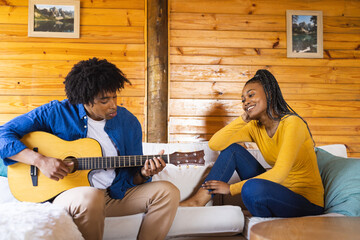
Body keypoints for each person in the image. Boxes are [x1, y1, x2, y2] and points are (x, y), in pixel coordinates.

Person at [0, 57, 180, 240]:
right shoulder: (55, 112)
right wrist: (40, 160)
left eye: (114, 97)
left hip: (113, 195)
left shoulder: (128, 122)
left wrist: (144, 173)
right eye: (104, 100)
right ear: (84, 100)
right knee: (91, 196)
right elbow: (3, 134)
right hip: (70, 195)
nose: (113, 105)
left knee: (168, 191)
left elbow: (133, 177)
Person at [180, 69, 324, 218]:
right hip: (276, 192)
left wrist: (231, 189)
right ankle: (197, 201)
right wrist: (244, 118)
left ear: (269, 94)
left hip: (306, 202)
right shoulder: (255, 127)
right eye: (243, 100)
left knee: (251, 188)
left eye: (251, 95)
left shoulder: (293, 124)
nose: (246, 102)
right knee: (233, 151)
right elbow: (215, 144)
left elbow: (280, 173)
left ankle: (266, 219)